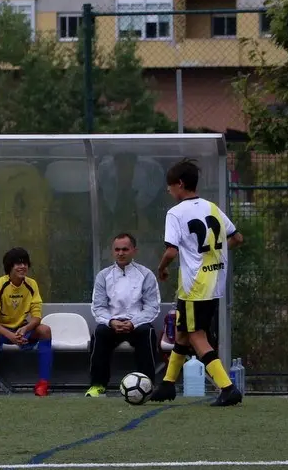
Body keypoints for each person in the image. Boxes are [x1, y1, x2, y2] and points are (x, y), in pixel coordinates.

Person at [151, 159, 244, 407]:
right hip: (214, 282)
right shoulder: (212, 208)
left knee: (196, 335)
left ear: (180, 184)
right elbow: (237, 238)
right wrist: (214, 254)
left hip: (195, 285)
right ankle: (168, 384)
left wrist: (161, 268)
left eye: (170, 185)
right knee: (182, 333)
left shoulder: (175, 213)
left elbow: (171, 251)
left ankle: (227, 387)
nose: (169, 190)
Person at [87, 232, 161, 397]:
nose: (121, 253)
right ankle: (97, 385)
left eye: (125, 249)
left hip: (137, 324)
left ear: (134, 251)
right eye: (117, 249)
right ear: (112, 251)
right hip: (112, 324)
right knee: (99, 333)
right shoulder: (103, 276)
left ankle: (147, 385)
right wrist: (111, 321)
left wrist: (134, 322)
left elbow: (152, 307)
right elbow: (98, 307)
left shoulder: (146, 274)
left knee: (148, 333)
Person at [0, 247, 53, 397]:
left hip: (21, 329)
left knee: (45, 330)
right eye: (18, 263)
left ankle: (43, 384)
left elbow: (37, 317)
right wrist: (10, 335)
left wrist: (25, 329)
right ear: (9, 266)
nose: (22, 267)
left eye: (25, 263)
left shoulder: (31, 285)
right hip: (0, 330)